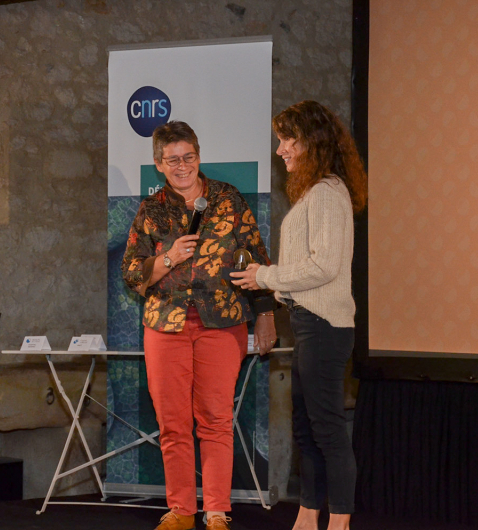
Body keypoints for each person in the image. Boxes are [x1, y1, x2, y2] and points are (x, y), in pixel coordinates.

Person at [122, 121, 278, 530]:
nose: (182, 166)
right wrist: (169, 258)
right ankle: (181, 510)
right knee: (173, 422)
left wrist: (265, 314)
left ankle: (216, 512)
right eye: (172, 160)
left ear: (198, 156)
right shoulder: (150, 209)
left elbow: (255, 259)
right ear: (159, 164)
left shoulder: (227, 198)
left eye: (188, 157)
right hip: (165, 325)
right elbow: (132, 274)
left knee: (215, 419)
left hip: (222, 322)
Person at [231, 101, 367, 530]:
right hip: (311, 324)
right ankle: (308, 517)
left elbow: (322, 266)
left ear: (311, 142)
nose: (280, 149)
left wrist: (264, 276)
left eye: (287, 140)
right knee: (308, 432)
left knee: (326, 431)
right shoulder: (316, 192)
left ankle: (339, 524)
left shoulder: (327, 192)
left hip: (325, 327)